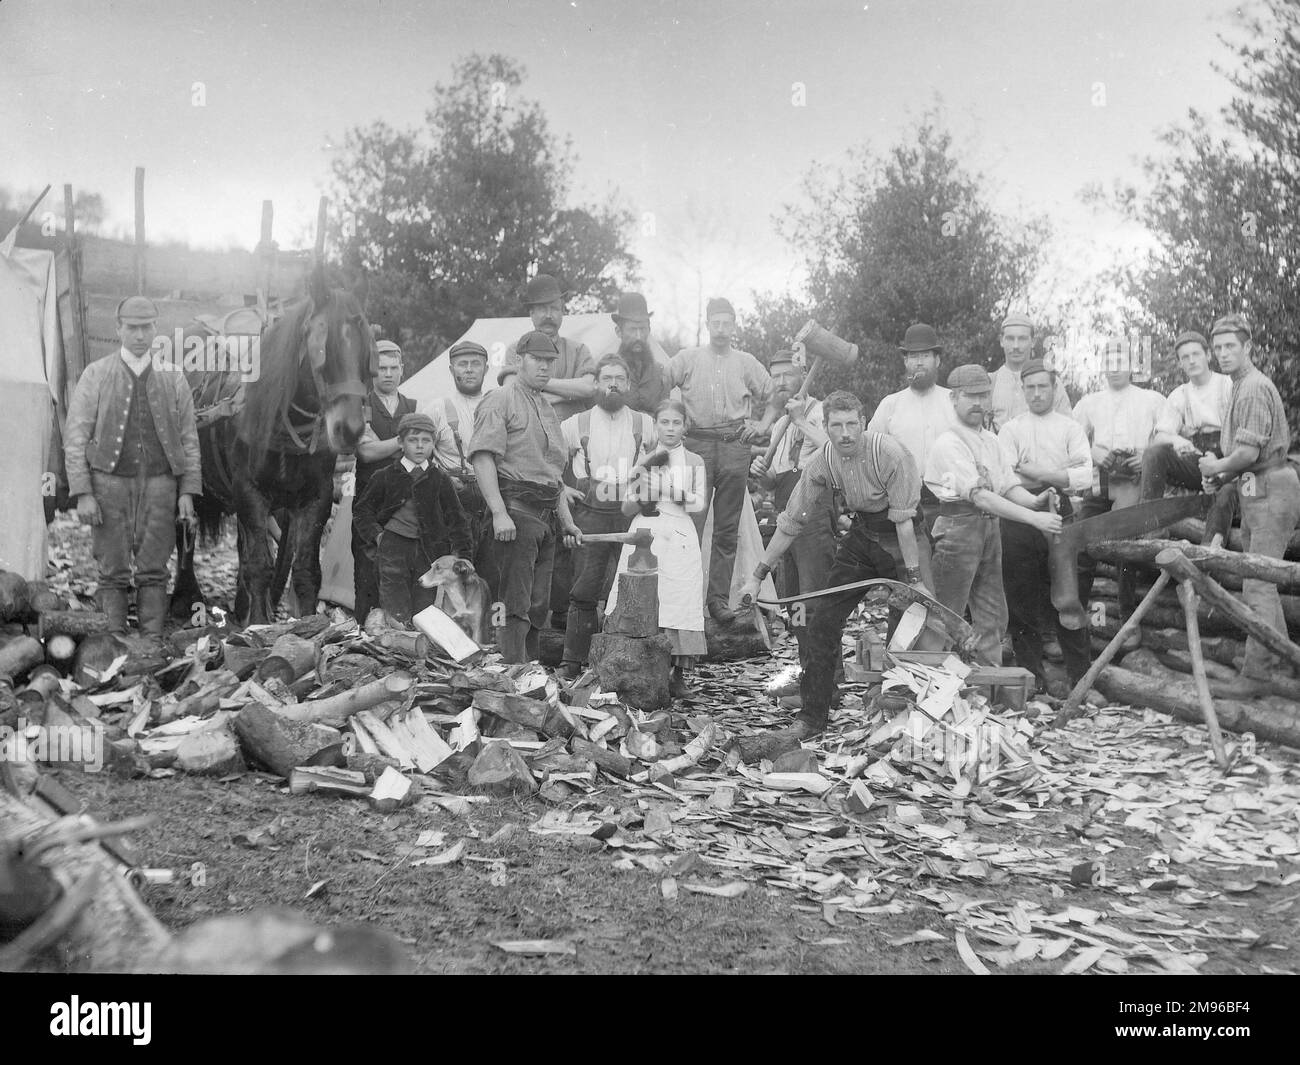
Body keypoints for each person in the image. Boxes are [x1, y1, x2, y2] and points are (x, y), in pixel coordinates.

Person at [739, 390, 928, 737]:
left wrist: (914, 579)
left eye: (851, 424)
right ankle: (813, 717)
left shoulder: (890, 453)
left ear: (864, 423)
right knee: (821, 620)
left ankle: (910, 720)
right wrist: (756, 576)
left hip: (904, 536)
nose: (844, 433)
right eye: (836, 425)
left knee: (913, 623)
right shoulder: (822, 461)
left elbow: (903, 522)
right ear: (825, 427)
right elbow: (790, 522)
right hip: (862, 535)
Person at [64, 296, 201, 639]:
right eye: (132, 327)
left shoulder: (174, 379)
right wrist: (83, 493)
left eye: (146, 327)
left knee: (154, 570)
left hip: (160, 485)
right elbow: (76, 436)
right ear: (118, 329)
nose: (139, 335)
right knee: (112, 570)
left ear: (156, 329)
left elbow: (188, 438)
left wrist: (187, 492)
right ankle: (112, 643)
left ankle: (151, 645)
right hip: (109, 484)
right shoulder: (96, 374)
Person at [924, 365, 1063, 668]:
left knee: (992, 615)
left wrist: (1035, 500)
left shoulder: (990, 439)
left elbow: (1007, 485)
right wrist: (1034, 519)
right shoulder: (948, 443)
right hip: (957, 530)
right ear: (954, 399)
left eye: (983, 395)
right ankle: (927, 684)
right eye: (969, 396)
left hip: (989, 531)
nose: (977, 403)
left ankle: (988, 691)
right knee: (944, 615)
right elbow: (982, 496)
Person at [469, 330, 584, 663]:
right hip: (514, 514)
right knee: (508, 602)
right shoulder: (500, 399)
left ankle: (530, 672)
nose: (545, 367)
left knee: (537, 605)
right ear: (519, 360)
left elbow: (553, 477)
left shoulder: (547, 408)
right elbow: (482, 457)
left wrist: (567, 522)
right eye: (537, 360)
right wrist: (499, 512)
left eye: (550, 361)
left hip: (545, 519)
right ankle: (505, 665)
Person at [1198, 314, 1300, 685]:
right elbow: (1243, 461)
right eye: (1218, 348)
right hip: (1257, 485)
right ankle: (1285, 662)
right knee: (1260, 582)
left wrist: (1215, 466)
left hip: (1272, 487)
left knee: (1257, 582)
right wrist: (1222, 475)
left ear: (1248, 348)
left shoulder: (1254, 387)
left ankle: (1257, 675)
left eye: (1230, 347)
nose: (1223, 354)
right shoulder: (1239, 386)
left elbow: (1246, 454)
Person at [666, 297, 775, 624]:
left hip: (734, 446)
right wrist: (672, 421)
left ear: (734, 326)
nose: (722, 330)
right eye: (717, 323)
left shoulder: (745, 362)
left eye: (728, 323)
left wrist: (763, 424)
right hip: (696, 445)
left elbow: (772, 397)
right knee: (690, 525)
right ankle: (686, 600)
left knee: (727, 530)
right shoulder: (687, 358)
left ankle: (716, 602)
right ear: (708, 324)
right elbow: (658, 386)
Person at [500, 274, 597, 631]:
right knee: (530, 537)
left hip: (570, 453)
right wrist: (563, 393)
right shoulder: (517, 347)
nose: (548, 315)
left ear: (563, 310)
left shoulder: (578, 350)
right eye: (541, 308)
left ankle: (563, 614)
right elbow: (511, 386)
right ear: (531, 313)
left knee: (570, 530)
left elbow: (589, 387)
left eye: (554, 307)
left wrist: (541, 386)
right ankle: (525, 628)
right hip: (526, 455)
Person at [557, 355, 656, 678]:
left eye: (619, 378)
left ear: (628, 385)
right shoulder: (575, 424)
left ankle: (621, 664)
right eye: (606, 377)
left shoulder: (646, 424)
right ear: (596, 384)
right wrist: (561, 490)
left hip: (630, 512)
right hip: (590, 512)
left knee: (629, 583)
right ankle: (572, 662)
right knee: (586, 584)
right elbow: (548, 461)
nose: (613, 383)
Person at [997, 360, 1093, 692]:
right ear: (1023, 391)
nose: (1037, 393)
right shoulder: (1010, 429)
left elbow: (1084, 475)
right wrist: (1047, 476)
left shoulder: (1069, 428)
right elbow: (1005, 476)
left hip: (1060, 509)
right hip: (1020, 511)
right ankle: (1032, 680)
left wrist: (1040, 473)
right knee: (1021, 598)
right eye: (1031, 388)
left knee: (1068, 596)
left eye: (1043, 387)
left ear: (1054, 388)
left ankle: (1080, 679)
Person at [606, 399, 707, 698]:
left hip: (679, 533)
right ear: (656, 425)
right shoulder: (643, 461)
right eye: (665, 422)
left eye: (677, 422)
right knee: (644, 595)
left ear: (685, 426)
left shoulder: (694, 461)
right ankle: (643, 670)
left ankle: (678, 675)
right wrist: (644, 489)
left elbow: (699, 504)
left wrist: (667, 489)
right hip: (646, 531)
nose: (671, 428)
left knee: (679, 596)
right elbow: (625, 507)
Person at [749, 350, 835, 695]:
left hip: (815, 511)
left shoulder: (822, 412)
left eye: (788, 375)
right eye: (776, 378)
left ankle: (829, 680)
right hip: (787, 510)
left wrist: (801, 420)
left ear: (802, 374)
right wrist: (762, 473)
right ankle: (806, 670)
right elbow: (775, 478)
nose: (782, 383)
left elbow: (834, 450)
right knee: (794, 602)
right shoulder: (780, 421)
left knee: (816, 599)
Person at [1071, 340, 1167, 621]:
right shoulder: (1090, 402)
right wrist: (1095, 452)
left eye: (1120, 363)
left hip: (1135, 478)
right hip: (1102, 478)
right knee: (1083, 542)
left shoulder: (1152, 399)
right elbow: (1073, 439)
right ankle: (1076, 615)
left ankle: (1127, 618)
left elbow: (1167, 435)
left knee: (1127, 547)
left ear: (1132, 367)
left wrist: (1147, 456)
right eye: (1108, 364)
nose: (1114, 370)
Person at [353, 413, 472, 627]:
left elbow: (457, 519)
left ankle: (420, 654)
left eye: (426, 441)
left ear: (434, 443)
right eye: (412, 440)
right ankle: (397, 650)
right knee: (395, 609)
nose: (419, 447)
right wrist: (378, 537)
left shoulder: (440, 479)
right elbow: (362, 511)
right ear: (400, 442)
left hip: (428, 554)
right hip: (393, 550)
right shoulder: (385, 475)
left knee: (424, 612)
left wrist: (461, 556)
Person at [867, 322, 959, 537]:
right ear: (906, 361)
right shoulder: (890, 405)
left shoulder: (953, 401)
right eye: (914, 356)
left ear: (937, 360)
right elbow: (869, 453)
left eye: (925, 355)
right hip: (904, 508)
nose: (919, 362)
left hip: (949, 504)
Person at [351, 339, 419, 623]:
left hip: (405, 505)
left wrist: (387, 445)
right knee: (368, 575)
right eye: (381, 368)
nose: (388, 374)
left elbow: (423, 452)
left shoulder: (413, 405)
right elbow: (366, 451)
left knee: (404, 574)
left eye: (393, 368)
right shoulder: (361, 404)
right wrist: (405, 441)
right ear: (372, 372)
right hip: (369, 503)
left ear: (402, 370)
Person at [429, 340, 495, 585]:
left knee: (490, 569)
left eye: (475, 364)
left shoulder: (498, 404)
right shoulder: (438, 408)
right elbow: (420, 456)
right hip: (454, 500)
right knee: (455, 568)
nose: (469, 369)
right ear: (451, 370)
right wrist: (445, 481)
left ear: (486, 369)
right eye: (462, 364)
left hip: (491, 497)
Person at [1141, 330, 1232, 500]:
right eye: (1185, 357)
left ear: (1208, 355)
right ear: (1180, 363)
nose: (1191, 361)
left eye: (1196, 354)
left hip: (1229, 459)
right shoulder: (1179, 395)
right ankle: (1150, 519)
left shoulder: (1228, 385)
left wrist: (1221, 462)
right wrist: (1177, 440)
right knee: (1154, 455)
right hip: (1198, 460)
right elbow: (1160, 436)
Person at [989, 313, 1071, 430]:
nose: (1016, 346)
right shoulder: (989, 382)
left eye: (1022, 339)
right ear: (1002, 341)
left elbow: (1068, 428)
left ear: (1033, 341)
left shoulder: (1052, 383)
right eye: (1010, 339)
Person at [609, 292, 669, 414]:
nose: (638, 336)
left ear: (649, 330)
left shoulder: (660, 373)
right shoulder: (606, 372)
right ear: (618, 332)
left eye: (642, 329)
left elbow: (664, 416)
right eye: (632, 329)